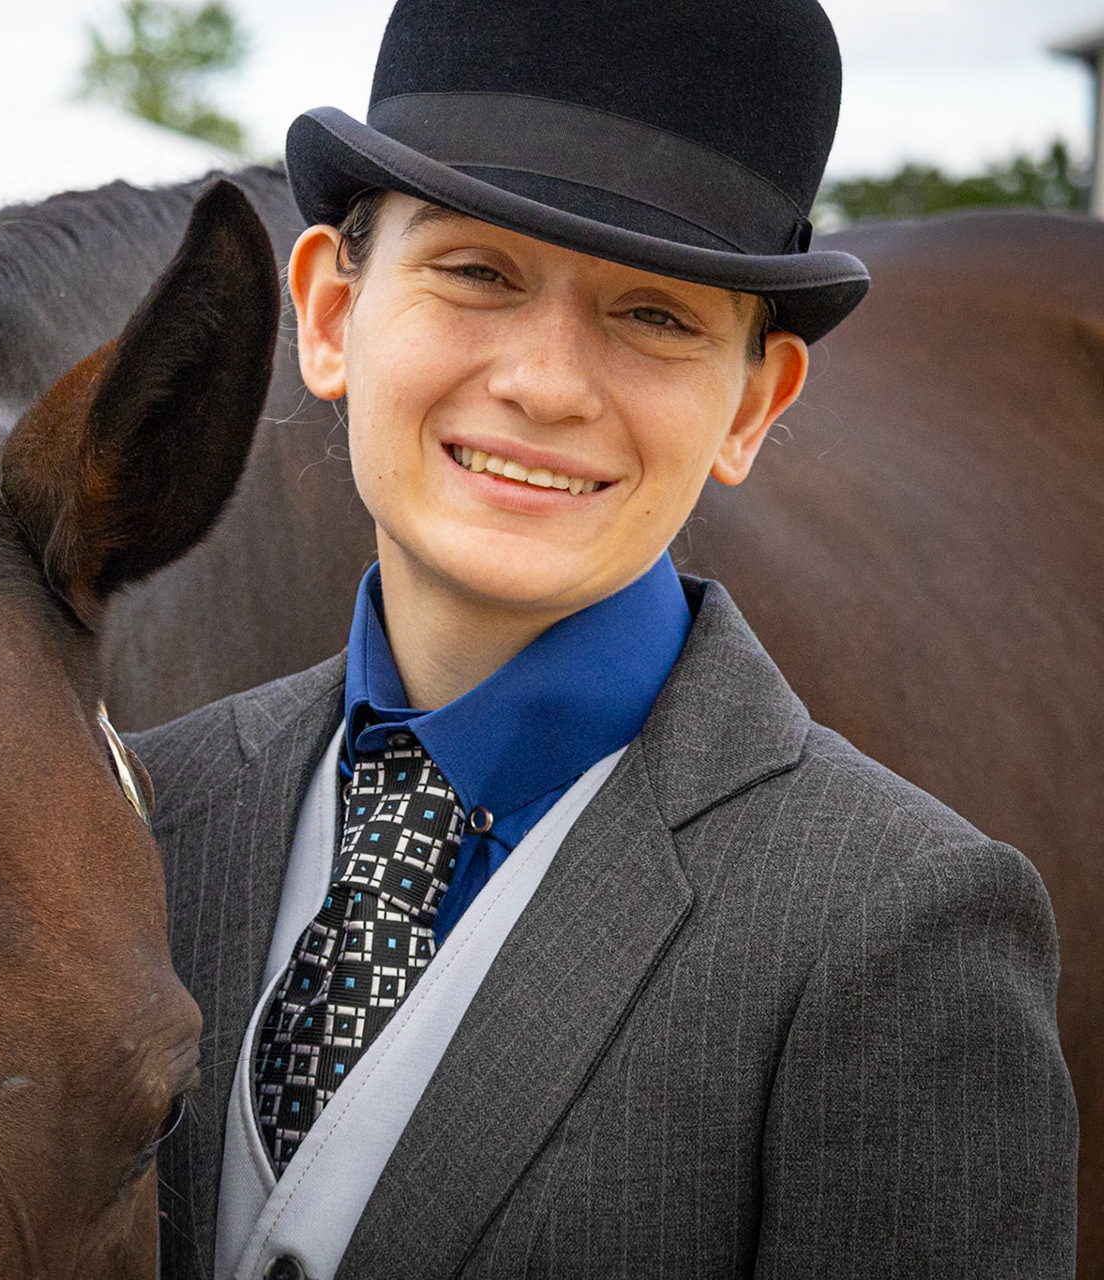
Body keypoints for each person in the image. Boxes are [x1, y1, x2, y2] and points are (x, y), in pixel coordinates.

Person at [129, 1, 1080, 1276]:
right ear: (332, 313)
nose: (547, 384)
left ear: (752, 404)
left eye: (656, 316)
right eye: (477, 273)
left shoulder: (903, 930)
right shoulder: (148, 811)